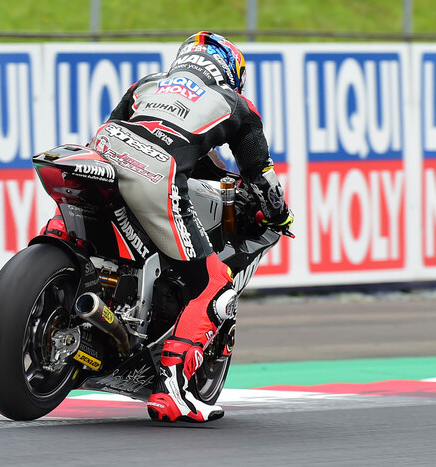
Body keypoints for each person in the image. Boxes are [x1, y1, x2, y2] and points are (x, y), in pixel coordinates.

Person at [82, 31, 293, 422]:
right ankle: (174, 390)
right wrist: (281, 216)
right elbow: (261, 178)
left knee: (83, 218)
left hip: (104, 153)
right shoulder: (235, 104)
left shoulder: (147, 84)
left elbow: (117, 125)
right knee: (214, 285)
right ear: (230, 70)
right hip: (156, 173)